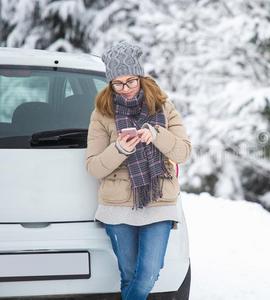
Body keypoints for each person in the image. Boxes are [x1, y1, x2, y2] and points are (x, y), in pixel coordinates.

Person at [85, 41, 191, 300]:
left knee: (149, 273)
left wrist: (156, 135)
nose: (126, 89)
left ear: (141, 77)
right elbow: (94, 166)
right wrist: (119, 149)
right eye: (118, 84)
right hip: (117, 206)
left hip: (158, 202)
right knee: (130, 274)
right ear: (110, 84)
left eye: (131, 81)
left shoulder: (164, 108)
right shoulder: (102, 114)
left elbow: (183, 153)